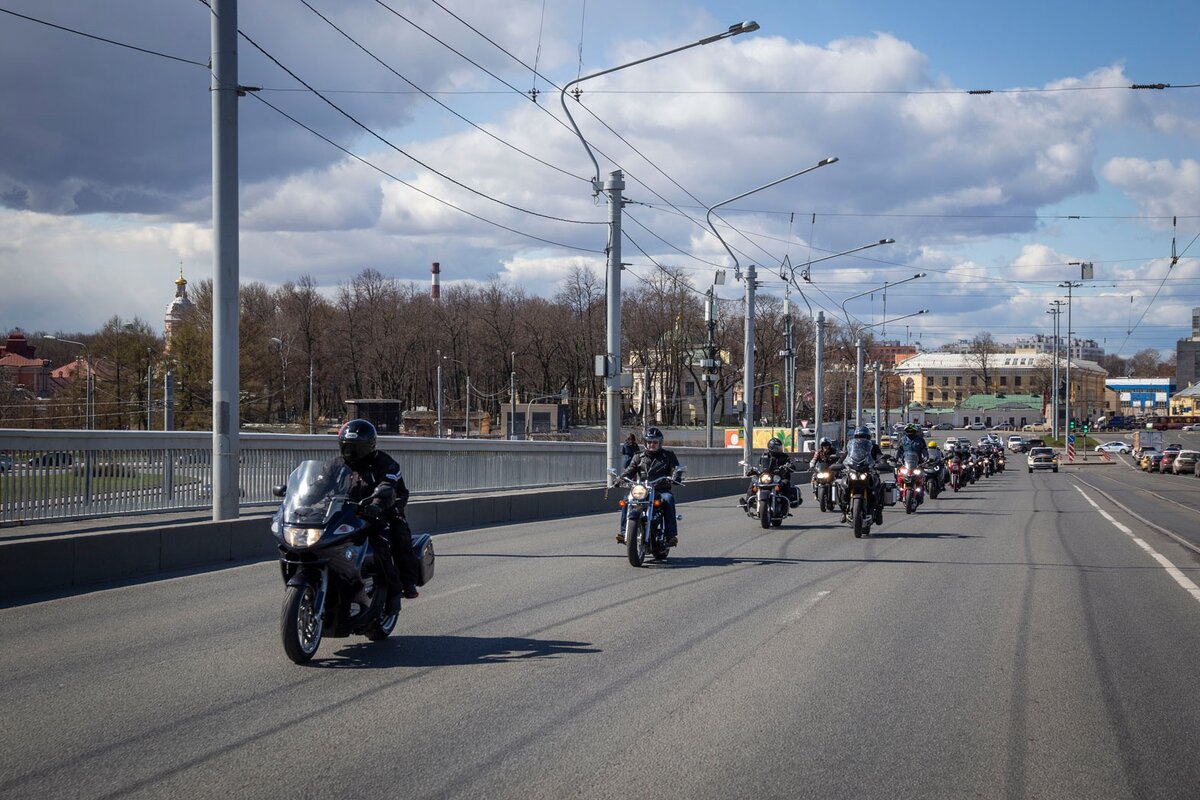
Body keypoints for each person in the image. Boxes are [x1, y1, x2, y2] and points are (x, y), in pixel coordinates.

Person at [337, 419, 421, 613]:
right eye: (348, 448)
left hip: (386, 510)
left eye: (358, 448)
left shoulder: (385, 463)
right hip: (350, 513)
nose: (352, 453)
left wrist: (377, 504)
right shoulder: (337, 465)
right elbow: (320, 483)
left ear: (370, 446)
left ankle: (400, 588)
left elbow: (387, 485)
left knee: (392, 539)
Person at [617, 427, 682, 546]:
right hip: (642, 490)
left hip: (661, 489)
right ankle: (624, 532)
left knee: (668, 499)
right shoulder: (638, 456)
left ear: (660, 443)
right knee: (627, 500)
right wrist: (621, 478)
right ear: (645, 442)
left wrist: (676, 477)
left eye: (655, 442)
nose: (652, 444)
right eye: (649, 442)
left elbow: (676, 469)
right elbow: (630, 470)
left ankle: (670, 535)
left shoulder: (668, 456)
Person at [839, 425, 888, 524]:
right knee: (842, 485)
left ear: (868, 437)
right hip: (854, 470)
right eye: (859, 436)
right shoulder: (852, 447)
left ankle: (879, 511)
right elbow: (845, 455)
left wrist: (882, 460)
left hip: (869, 471)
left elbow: (879, 455)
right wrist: (839, 462)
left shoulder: (873, 446)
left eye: (864, 436)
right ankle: (844, 511)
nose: (861, 439)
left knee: (878, 485)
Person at [740, 436, 801, 509]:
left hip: (779, 477)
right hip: (766, 477)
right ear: (772, 448)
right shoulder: (764, 456)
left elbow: (790, 463)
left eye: (780, 447)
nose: (780, 449)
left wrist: (789, 466)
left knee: (786, 483)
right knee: (754, 481)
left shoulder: (784, 456)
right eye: (777, 447)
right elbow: (759, 465)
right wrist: (752, 470)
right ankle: (747, 504)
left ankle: (785, 505)